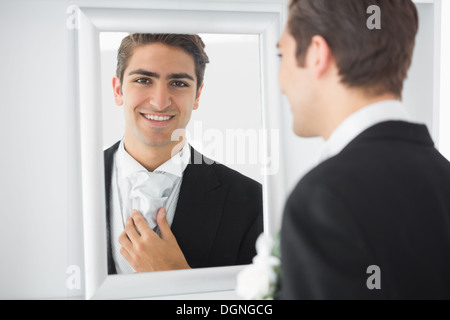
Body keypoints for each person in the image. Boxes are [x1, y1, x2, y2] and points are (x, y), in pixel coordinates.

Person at [277, 0, 450, 299]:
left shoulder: (322, 198)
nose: (281, 81)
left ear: (318, 53)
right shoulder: (443, 178)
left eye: (282, 55)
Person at [104, 33, 263, 274]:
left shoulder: (251, 201)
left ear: (197, 95)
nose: (159, 102)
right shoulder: (66, 186)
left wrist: (177, 275)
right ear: (118, 89)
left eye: (178, 83)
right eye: (143, 80)